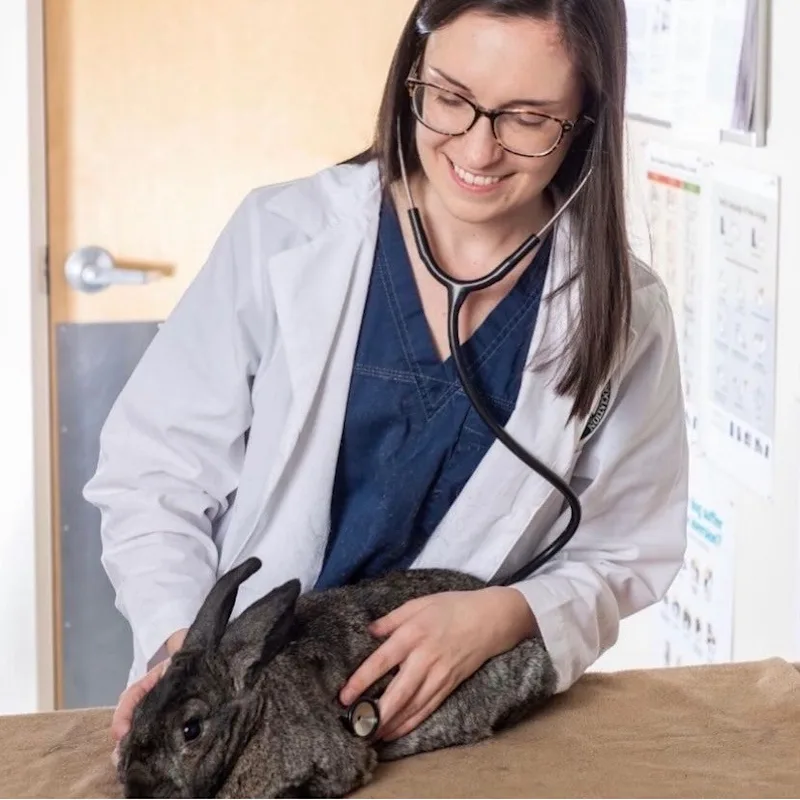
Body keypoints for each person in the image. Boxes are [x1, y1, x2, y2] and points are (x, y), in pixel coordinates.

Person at [84, 0, 689, 757]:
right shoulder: (288, 238)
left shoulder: (624, 315)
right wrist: (187, 655)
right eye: (450, 98)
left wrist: (506, 614)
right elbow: (153, 470)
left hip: (455, 729)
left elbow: (627, 549)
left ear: (589, 121)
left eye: (528, 119)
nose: (477, 148)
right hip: (251, 711)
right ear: (413, 70)